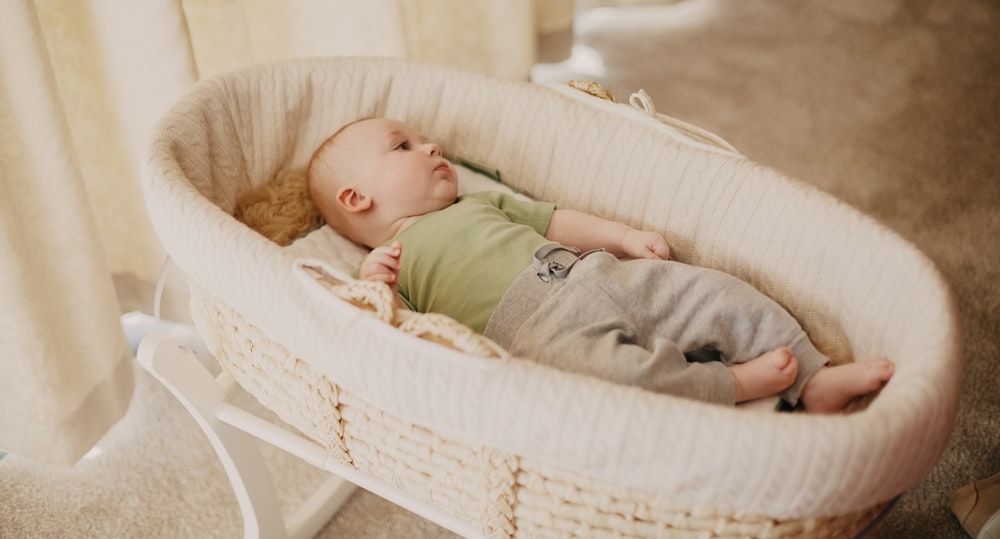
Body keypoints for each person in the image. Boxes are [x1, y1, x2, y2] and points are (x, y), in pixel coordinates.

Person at [307, 117, 894, 413]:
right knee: (620, 386)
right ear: (358, 199)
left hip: (597, 272)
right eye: (403, 147)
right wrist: (371, 287)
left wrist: (624, 237)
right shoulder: (395, 265)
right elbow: (403, 340)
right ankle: (733, 385)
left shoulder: (479, 202)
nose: (432, 147)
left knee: (716, 292)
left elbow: (557, 219)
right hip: (536, 333)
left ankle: (814, 378)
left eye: (423, 138)